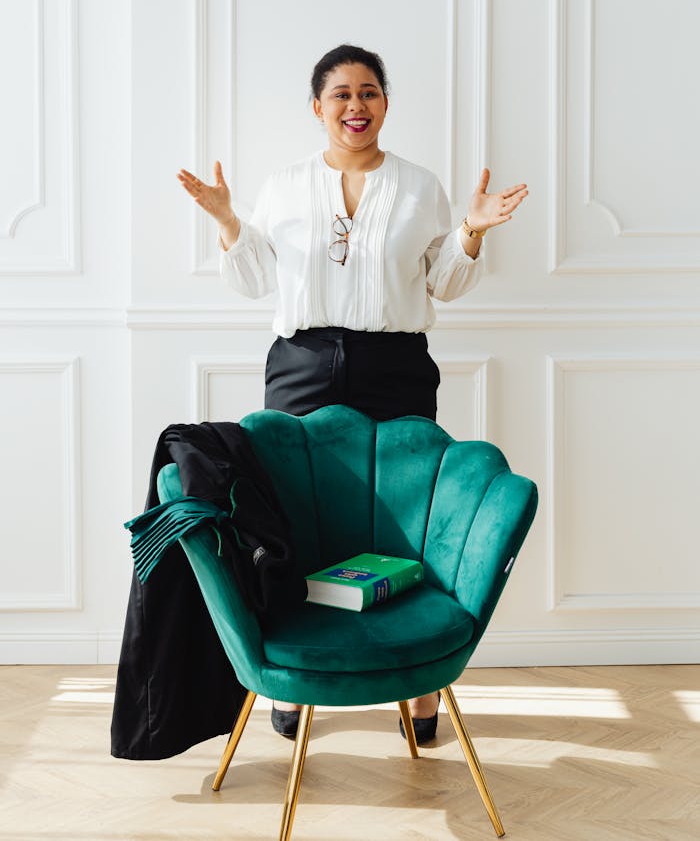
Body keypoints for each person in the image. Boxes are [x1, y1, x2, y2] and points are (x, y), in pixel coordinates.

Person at [178, 43, 528, 743]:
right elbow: (252, 282)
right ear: (318, 107)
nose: (355, 106)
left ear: (386, 103)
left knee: (405, 520)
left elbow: (443, 284)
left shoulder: (420, 186)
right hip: (302, 361)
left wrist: (470, 232)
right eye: (341, 94)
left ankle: (422, 692)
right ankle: (295, 681)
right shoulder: (282, 187)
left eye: (368, 92)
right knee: (292, 519)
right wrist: (226, 221)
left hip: (394, 361)